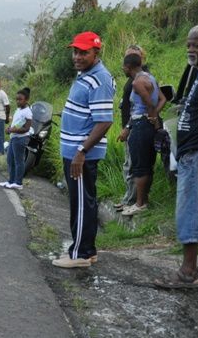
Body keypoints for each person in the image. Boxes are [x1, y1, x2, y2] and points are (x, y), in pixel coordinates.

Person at [154, 23, 198, 289]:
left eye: (197, 45)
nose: (191, 49)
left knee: (190, 211)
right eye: (189, 44)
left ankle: (187, 271)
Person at [51, 31, 115, 269]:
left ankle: (80, 254)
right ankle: (87, 250)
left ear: (96, 52)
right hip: (75, 151)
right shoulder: (85, 74)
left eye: (83, 52)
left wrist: (81, 151)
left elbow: (104, 121)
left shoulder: (100, 79)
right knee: (82, 201)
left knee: (81, 204)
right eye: (75, 51)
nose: (77, 56)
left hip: (81, 155)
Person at [120, 53, 165, 216]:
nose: (123, 69)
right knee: (147, 163)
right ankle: (144, 201)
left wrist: (152, 118)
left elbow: (151, 104)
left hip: (140, 125)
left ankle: (139, 204)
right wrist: (153, 118)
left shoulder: (137, 82)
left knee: (139, 166)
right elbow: (163, 99)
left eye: (124, 67)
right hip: (147, 124)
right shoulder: (150, 77)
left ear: (128, 67)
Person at [114, 45, 147, 212]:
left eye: (131, 57)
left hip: (134, 126)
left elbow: (141, 107)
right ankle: (128, 198)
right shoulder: (133, 77)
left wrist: (128, 127)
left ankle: (132, 200)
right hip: (129, 124)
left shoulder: (142, 78)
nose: (126, 62)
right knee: (129, 163)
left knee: (133, 164)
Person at [1, 87, 33, 189]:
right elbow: (17, 124)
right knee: (10, 159)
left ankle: (18, 183)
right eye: (17, 99)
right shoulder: (19, 110)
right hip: (14, 138)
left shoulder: (27, 112)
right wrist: (10, 128)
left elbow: (26, 128)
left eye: (20, 99)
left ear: (26, 100)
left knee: (19, 161)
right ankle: (11, 181)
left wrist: (12, 130)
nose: (18, 101)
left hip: (20, 139)